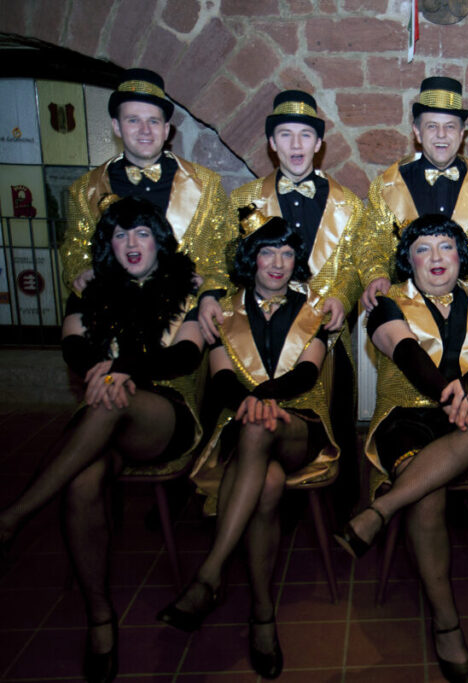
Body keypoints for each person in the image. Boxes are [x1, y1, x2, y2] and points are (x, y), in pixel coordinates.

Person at [0, 196, 205, 683]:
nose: (131, 243)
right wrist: (105, 372)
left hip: (163, 415)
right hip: (101, 416)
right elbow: (73, 346)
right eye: (120, 234)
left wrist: (120, 369)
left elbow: (185, 356)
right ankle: (100, 618)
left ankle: (12, 518)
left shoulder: (189, 288)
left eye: (142, 233)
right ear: (107, 244)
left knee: (114, 398)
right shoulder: (88, 289)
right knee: (82, 482)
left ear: (159, 241)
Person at [157, 208, 339, 679]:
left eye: (287, 253)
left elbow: (307, 373)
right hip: (243, 424)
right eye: (267, 252)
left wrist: (261, 400)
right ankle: (262, 613)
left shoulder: (316, 307)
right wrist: (251, 406)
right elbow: (221, 381)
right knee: (268, 484)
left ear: (296, 260)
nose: (277, 263)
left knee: (262, 429)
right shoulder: (221, 310)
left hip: (299, 425)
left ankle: (210, 574)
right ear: (250, 258)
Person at [336, 214, 468, 683]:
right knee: (429, 494)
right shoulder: (386, 302)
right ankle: (447, 624)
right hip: (406, 419)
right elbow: (409, 355)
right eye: (423, 249)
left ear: (461, 255)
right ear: (408, 260)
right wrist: (452, 396)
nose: (436, 257)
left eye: (445, 246)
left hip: (467, 416)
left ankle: (380, 510)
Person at [229, 89, 364, 518]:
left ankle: (338, 507)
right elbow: (232, 265)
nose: (296, 145)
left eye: (305, 135)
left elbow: (355, 266)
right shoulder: (243, 200)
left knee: (337, 417)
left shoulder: (349, 203)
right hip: (262, 335)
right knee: (262, 416)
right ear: (272, 143)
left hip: (327, 334)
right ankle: (272, 505)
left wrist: (342, 295)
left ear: (319, 143)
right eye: (285, 135)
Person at [60, 68, 233, 345]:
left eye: (153, 121)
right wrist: (81, 270)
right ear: (116, 126)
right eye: (133, 120)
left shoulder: (207, 185)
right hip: (112, 328)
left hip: (182, 328)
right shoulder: (85, 190)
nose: (145, 130)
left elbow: (224, 250)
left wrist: (211, 293)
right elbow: (74, 248)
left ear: (166, 129)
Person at [356, 77, 468, 325]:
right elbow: (371, 245)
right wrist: (376, 275)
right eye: (432, 126)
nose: (441, 135)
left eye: (450, 127)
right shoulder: (387, 185)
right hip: (406, 311)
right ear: (417, 132)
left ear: (462, 133)